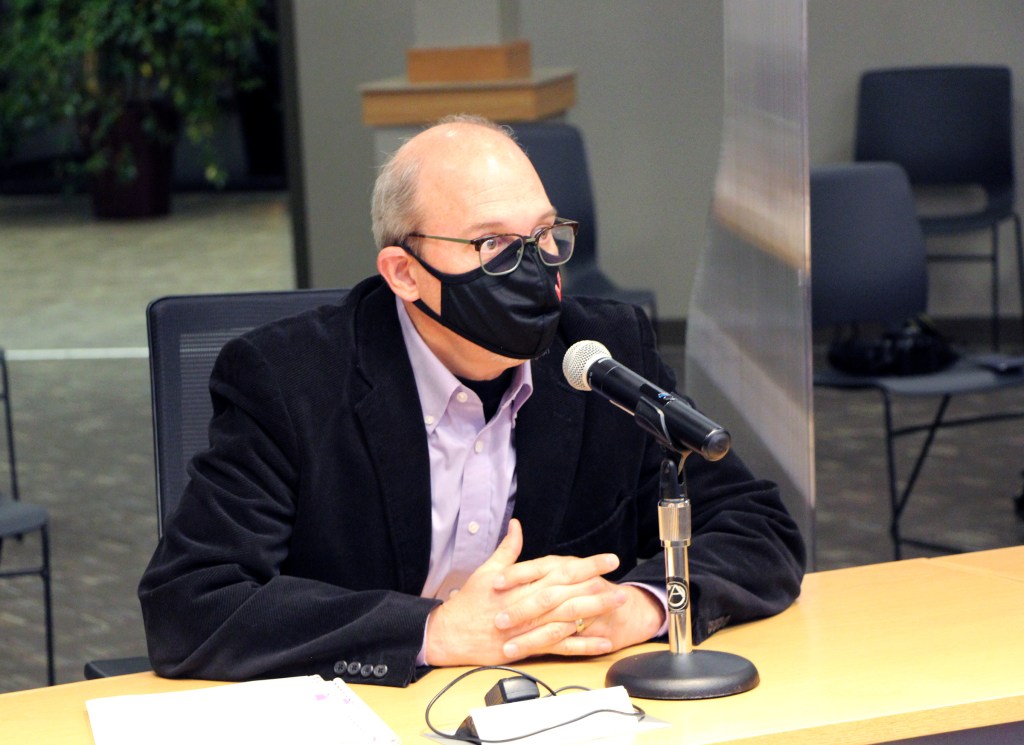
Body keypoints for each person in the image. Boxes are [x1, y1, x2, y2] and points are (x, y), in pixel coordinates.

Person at [138, 115, 805, 688]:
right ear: (404, 273)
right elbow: (190, 603)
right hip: (372, 710)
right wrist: (431, 631)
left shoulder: (602, 354)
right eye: (493, 245)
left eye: (544, 235)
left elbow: (758, 527)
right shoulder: (287, 379)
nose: (535, 268)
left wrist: (646, 603)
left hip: (559, 706)